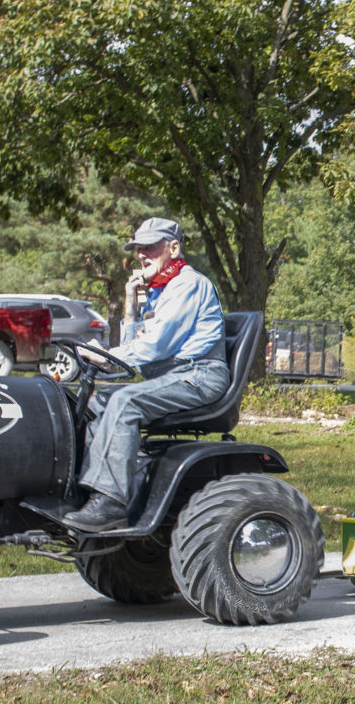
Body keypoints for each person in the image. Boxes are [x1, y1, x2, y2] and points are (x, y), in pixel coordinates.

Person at [63, 217, 230, 532]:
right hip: (173, 376)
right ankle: (93, 490)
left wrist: (105, 354)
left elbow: (153, 347)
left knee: (125, 401)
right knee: (98, 402)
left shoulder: (187, 285)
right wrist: (129, 304)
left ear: (174, 248)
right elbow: (135, 348)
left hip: (200, 375)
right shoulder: (158, 290)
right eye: (139, 248)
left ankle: (111, 502)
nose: (142, 254)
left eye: (151, 246)